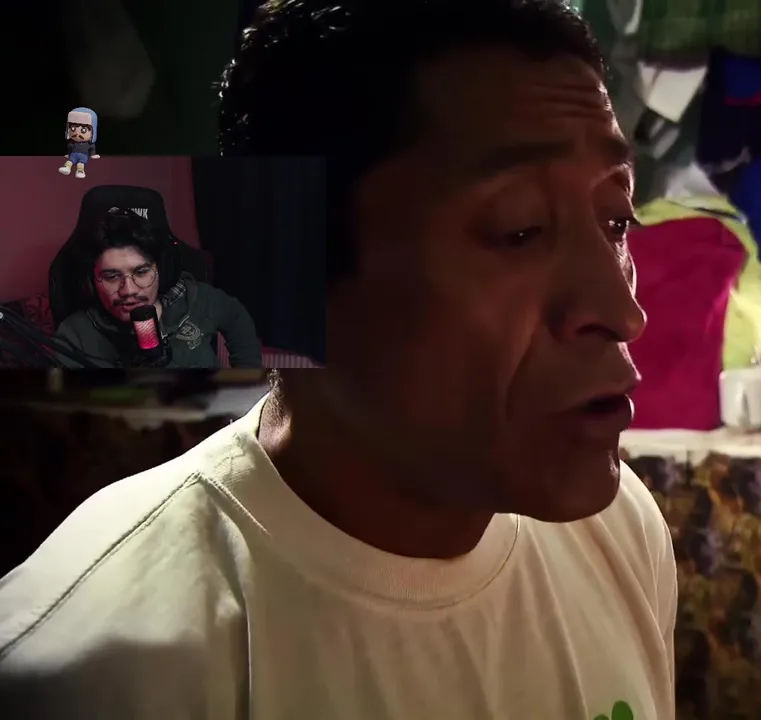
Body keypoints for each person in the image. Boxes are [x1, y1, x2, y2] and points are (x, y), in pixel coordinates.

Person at [0, 1, 674, 719]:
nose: (624, 311)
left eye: (616, 220)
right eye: (520, 230)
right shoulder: (106, 673)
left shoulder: (620, 530)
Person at [52, 207, 263, 369]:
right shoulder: (73, 336)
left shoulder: (198, 299)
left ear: (162, 271)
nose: (128, 290)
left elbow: (236, 317)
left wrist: (248, 377)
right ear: (91, 283)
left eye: (141, 272)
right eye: (112, 276)